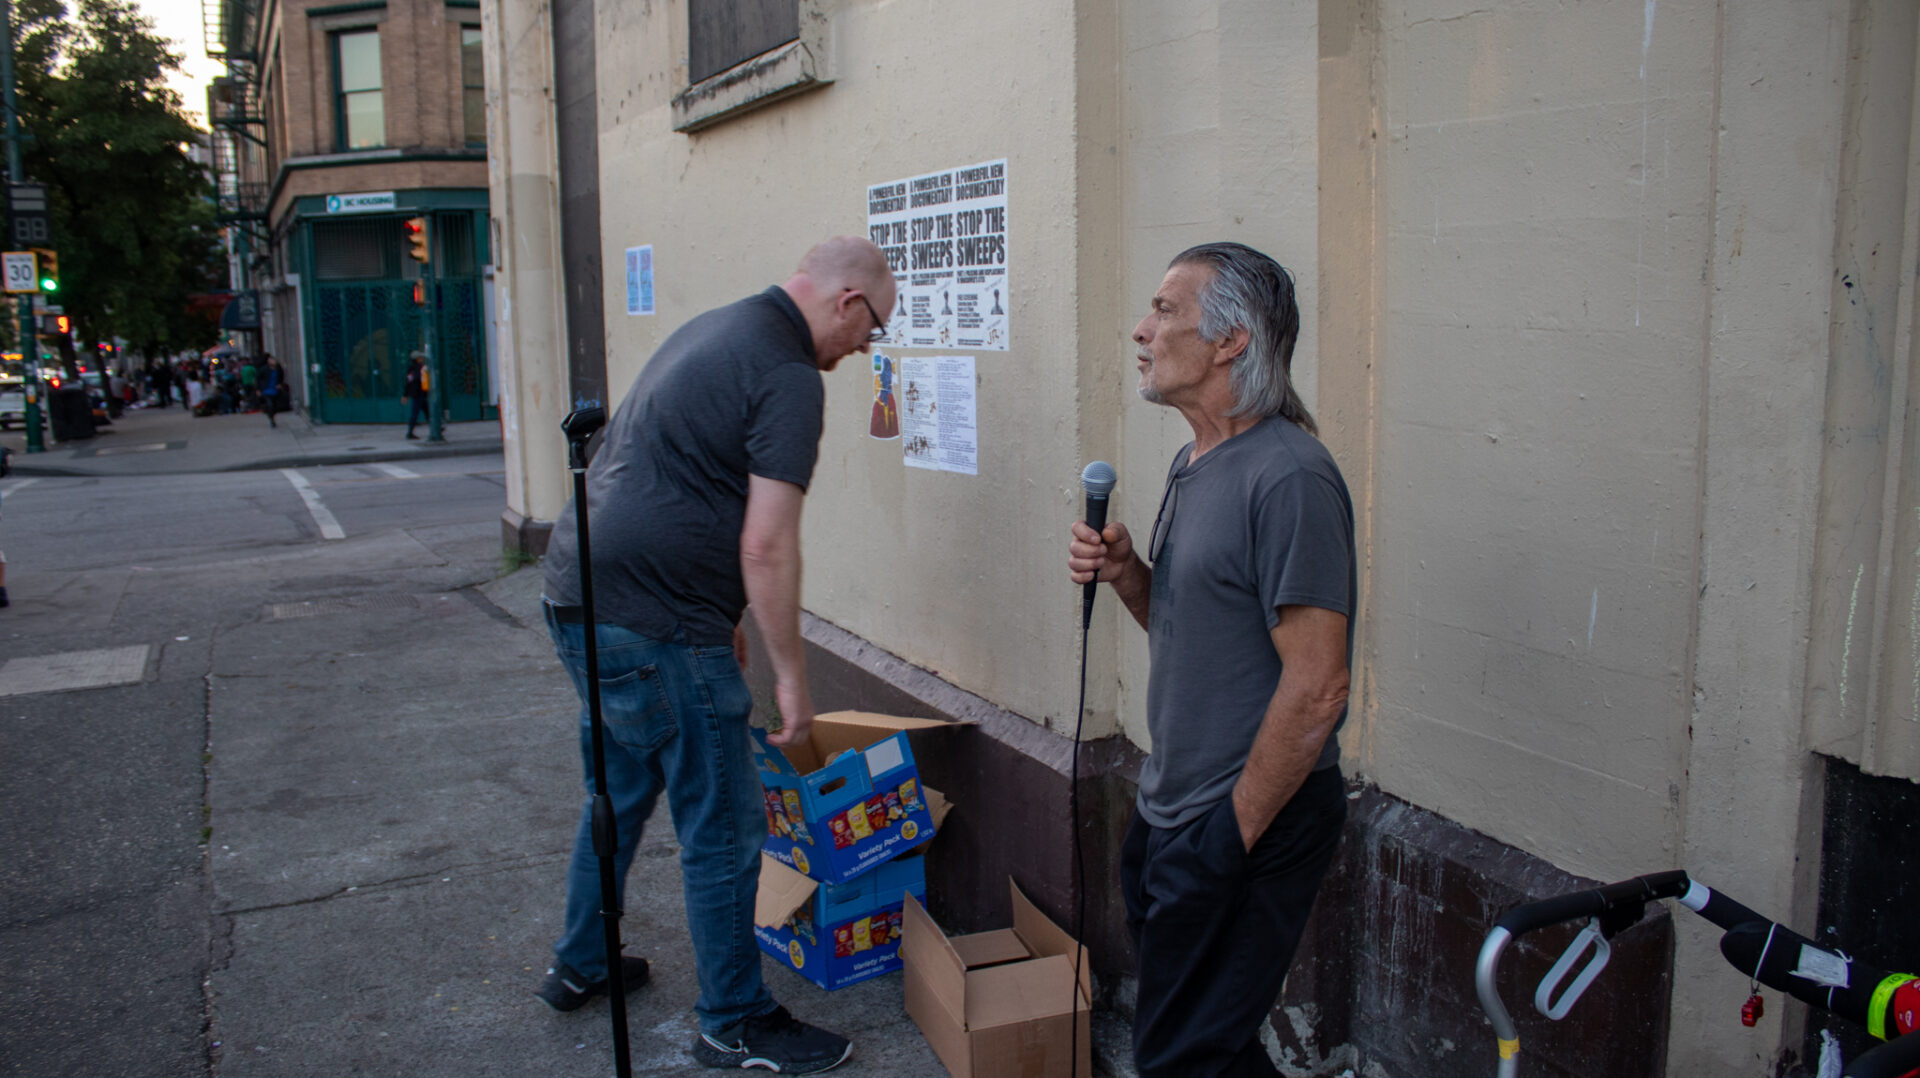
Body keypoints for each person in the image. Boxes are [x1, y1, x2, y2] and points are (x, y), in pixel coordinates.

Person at [536, 236, 893, 1074]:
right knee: (726, 827)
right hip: (654, 620)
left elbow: (659, 468)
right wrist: (790, 676)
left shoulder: (718, 329)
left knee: (618, 791)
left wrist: (716, 613)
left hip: (578, 594)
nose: (868, 346)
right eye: (873, 326)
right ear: (846, 302)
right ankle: (734, 1020)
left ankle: (580, 963)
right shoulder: (788, 374)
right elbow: (767, 546)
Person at [1066, 242, 1356, 1078]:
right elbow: (1196, 634)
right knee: (1201, 1048)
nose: (1140, 331)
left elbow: (1318, 684)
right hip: (1173, 808)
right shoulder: (1195, 462)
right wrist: (1127, 577)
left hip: (1249, 815)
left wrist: (1229, 834)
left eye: (1164, 311)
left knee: (1183, 1057)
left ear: (1232, 341)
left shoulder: (1291, 476)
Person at [403, 352, 429, 439]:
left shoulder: (411, 369)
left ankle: (437, 428)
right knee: (416, 413)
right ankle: (409, 433)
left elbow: (408, 382)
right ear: (418, 359)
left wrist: (405, 395)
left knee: (427, 412)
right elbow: (417, 380)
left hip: (417, 394)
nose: (422, 359)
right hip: (420, 394)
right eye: (421, 358)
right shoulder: (421, 368)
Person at [261, 355, 283, 428]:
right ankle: (271, 419)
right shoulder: (264, 369)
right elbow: (259, 378)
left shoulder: (278, 369)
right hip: (267, 390)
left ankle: (272, 415)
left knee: (275, 406)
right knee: (270, 404)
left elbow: (281, 376)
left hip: (275, 390)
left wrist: (280, 384)